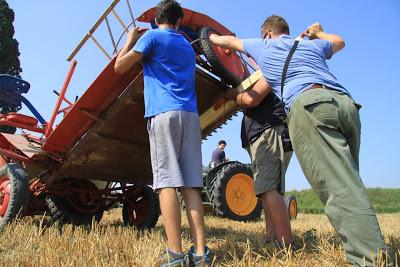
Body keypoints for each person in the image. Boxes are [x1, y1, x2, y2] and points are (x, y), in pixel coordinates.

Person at [210, 15, 387, 266]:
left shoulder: (268, 47)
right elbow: (340, 42)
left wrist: (211, 39)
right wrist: (319, 32)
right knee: (349, 181)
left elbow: (229, 41)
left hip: (311, 106)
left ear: (268, 33)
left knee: (340, 189)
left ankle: (370, 260)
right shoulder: (309, 45)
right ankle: (369, 248)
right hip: (345, 104)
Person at [114, 1, 210, 266]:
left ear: (157, 20)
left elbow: (120, 67)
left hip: (164, 114)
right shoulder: (186, 47)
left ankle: (175, 255)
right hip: (190, 116)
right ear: (179, 22)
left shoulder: (153, 37)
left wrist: (131, 41)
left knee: (166, 182)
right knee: (191, 184)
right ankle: (201, 254)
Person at [217, 76, 294, 246]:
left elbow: (250, 99)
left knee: (269, 190)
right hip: (264, 137)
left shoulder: (260, 76)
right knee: (267, 190)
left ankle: (285, 244)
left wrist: (233, 95)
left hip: (268, 135)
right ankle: (271, 237)